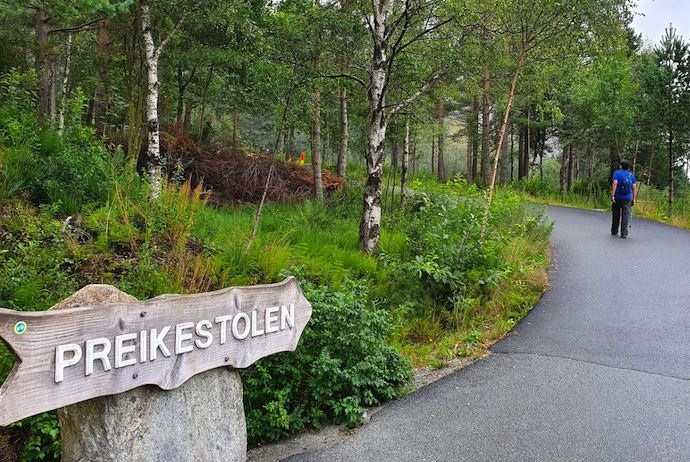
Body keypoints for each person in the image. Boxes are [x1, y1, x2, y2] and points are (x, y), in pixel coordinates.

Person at [611, 159, 637, 238]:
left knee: (616, 213)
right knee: (625, 215)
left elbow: (615, 183)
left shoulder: (617, 173)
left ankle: (614, 230)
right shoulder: (631, 175)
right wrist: (634, 198)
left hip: (618, 197)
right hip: (628, 197)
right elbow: (634, 187)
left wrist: (613, 195)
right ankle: (624, 233)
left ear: (621, 166)